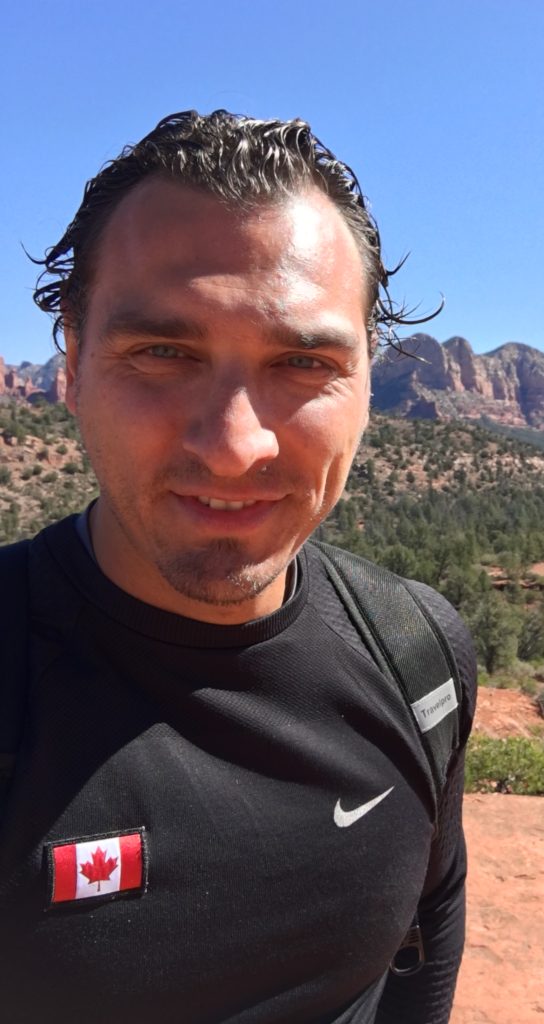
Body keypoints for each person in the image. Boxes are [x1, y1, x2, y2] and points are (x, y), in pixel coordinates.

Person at [0, 110, 476, 1023]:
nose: (233, 446)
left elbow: (429, 921)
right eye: (163, 352)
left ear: (372, 381)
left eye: (303, 362)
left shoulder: (419, 656)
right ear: (70, 364)